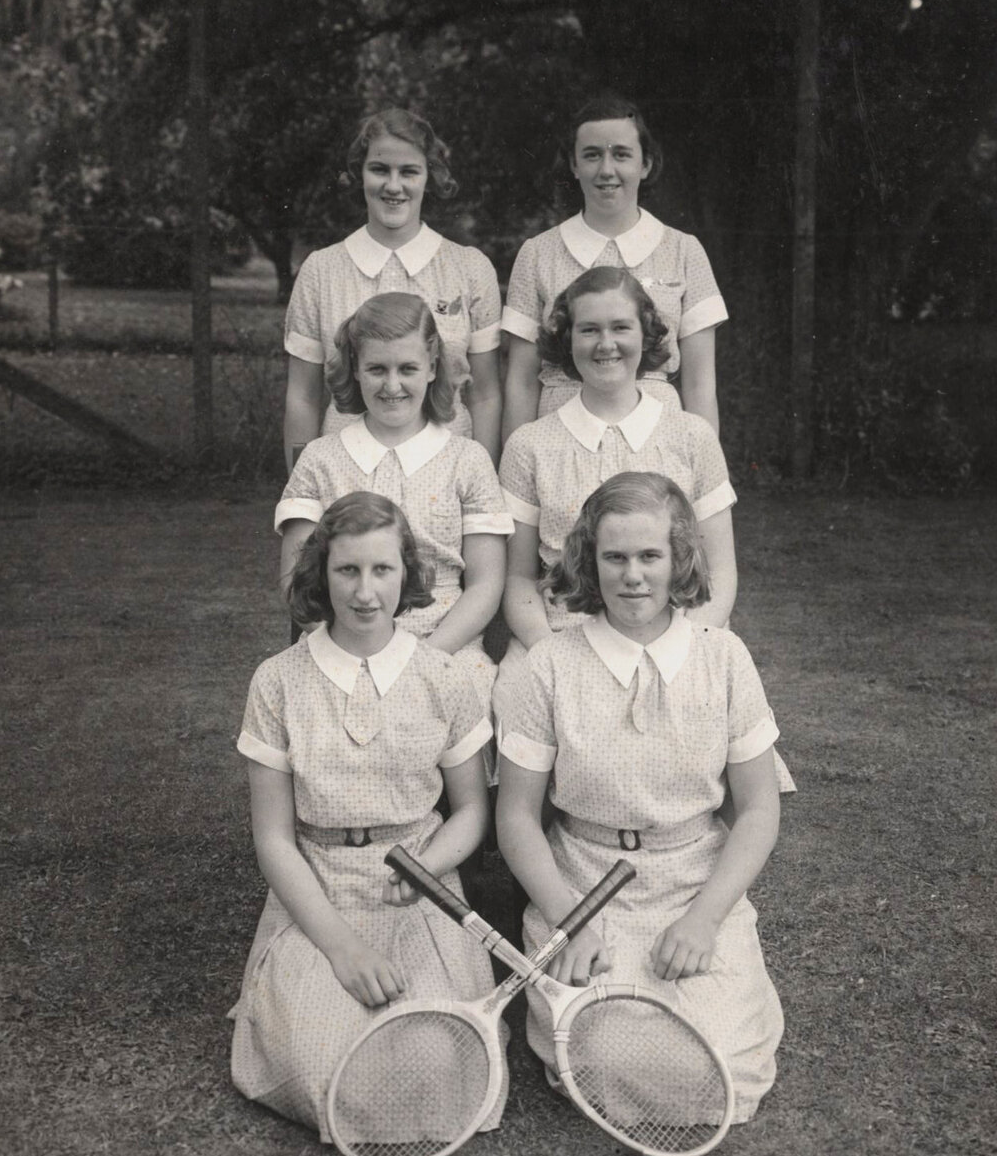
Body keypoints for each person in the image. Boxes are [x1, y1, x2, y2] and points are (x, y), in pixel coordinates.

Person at [496, 472, 784, 1121]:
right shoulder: (549, 665)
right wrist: (569, 918)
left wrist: (704, 919)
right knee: (608, 1055)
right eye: (615, 557)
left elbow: (760, 809)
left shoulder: (726, 657)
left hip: (692, 884)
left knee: (720, 1062)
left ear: (680, 557)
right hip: (584, 889)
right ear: (588, 562)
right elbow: (515, 816)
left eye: (650, 556)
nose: (633, 575)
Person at [230, 492, 500, 1142]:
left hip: (418, 889)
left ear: (407, 572)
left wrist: (429, 867)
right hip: (316, 886)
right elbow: (273, 838)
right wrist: (340, 946)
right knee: (316, 1060)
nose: (365, 591)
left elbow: (471, 812)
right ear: (321, 573)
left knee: (433, 1059)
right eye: (347, 570)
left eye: (382, 569)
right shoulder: (278, 680)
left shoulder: (444, 675)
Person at [496, 266, 736, 719]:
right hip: (562, 636)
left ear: (646, 335)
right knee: (515, 693)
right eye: (588, 329)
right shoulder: (529, 446)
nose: (605, 344)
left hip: (675, 635)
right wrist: (553, 654)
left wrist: (678, 648)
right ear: (567, 340)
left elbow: (720, 576)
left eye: (620, 327)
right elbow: (518, 580)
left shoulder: (692, 438)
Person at [277, 293, 511, 708]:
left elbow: (486, 583)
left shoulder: (467, 459)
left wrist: (422, 659)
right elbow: (296, 578)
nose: (392, 385)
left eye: (407, 369)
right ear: (355, 370)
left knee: (473, 689)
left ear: (433, 367)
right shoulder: (320, 460)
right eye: (376, 369)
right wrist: (347, 655)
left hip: (444, 645)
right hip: (340, 643)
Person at [283, 106, 503, 470]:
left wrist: (485, 486)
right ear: (360, 174)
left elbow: (485, 396)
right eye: (380, 169)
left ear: (429, 177)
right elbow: (303, 397)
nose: (394, 186)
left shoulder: (469, 267)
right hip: (345, 471)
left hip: (448, 469)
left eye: (409, 172)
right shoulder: (321, 270)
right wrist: (300, 493)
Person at [501, 92, 726, 442]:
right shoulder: (537, 253)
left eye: (621, 155)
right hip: (558, 436)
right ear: (574, 166)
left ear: (645, 164)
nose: (607, 170)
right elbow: (521, 381)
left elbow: (699, 384)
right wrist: (515, 475)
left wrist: (707, 480)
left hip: (659, 434)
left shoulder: (684, 251)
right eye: (592, 156)